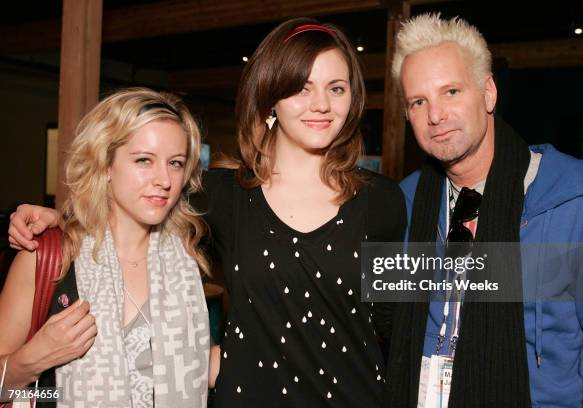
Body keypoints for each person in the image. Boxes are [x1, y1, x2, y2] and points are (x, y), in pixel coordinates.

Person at [7, 18, 406, 407]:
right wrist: (62, 218)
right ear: (271, 98)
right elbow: (135, 199)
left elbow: (400, 326)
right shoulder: (223, 198)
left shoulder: (384, 201)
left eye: (336, 88)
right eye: (301, 88)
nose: (321, 103)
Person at [380, 13, 583, 408]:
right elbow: (382, 330)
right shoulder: (404, 203)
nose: (435, 115)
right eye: (419, 101)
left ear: (488, 92)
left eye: (451, 91)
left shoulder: (577, 204)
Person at [1, 88, 211, 407]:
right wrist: (32, 361)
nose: (164, 179)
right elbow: (11, 391)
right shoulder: (49, 258)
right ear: (106, 165)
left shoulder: (183, 263)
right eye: (144, 160)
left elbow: (200, 369)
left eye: (176, 163)